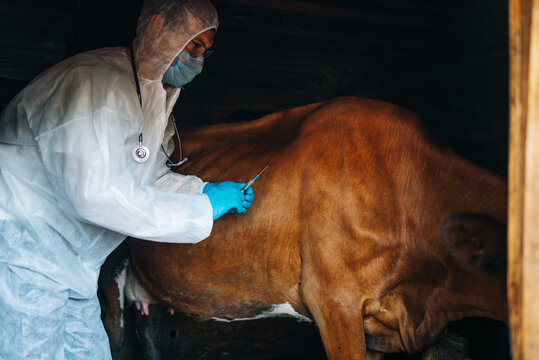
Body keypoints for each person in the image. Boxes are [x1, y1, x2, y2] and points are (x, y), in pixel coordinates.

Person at [0, 0, 254, 358]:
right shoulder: (96, 82)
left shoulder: (150, 95)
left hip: (72, 267)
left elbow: (144, 176)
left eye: (205, 52)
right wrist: (200, 211)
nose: (198, 60)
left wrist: (201, 191)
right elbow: (96, 195)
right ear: (158, 30)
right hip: (24, 258)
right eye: (194, 46)